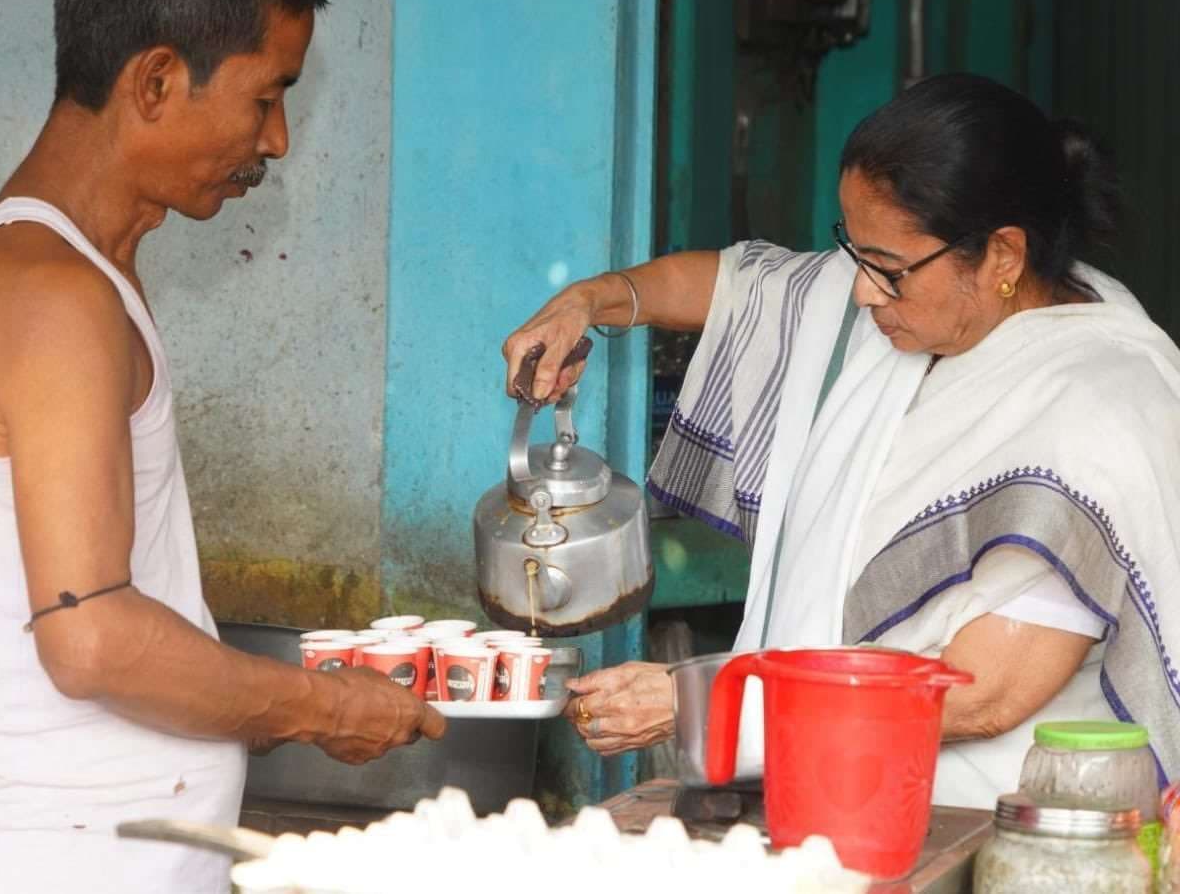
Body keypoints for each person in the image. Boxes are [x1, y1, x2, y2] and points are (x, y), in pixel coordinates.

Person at [0, 0, 444, 894]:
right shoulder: (50, 296)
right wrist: (322, 707)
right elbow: (92, 636)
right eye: (265, 96)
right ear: (155, 82)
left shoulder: (64, 278)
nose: (275, 140)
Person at [503, 73, 1180, 808]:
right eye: (853, 252)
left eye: (887, 270)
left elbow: (984, 693)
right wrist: (588, 302)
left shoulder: (1099, 402)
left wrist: (720, 702)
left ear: (1004, 257)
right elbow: (735, 286)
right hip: (833, 798)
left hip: (992, 827)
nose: (859, 292)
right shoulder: (898, 305)